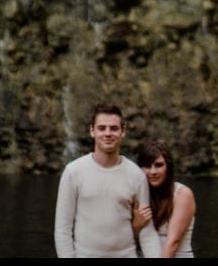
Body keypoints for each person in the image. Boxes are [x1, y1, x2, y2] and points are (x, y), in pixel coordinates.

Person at [54, 104, 163, 258]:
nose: (107, 133)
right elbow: (62, 229)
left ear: (122, 131)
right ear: (92, 131)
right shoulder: (73, 172)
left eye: (113, 128)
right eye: (102, 128)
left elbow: (146, 231)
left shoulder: (136, 175)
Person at [132, 141, 196, 258]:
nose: (153, 172)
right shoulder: (137, 196)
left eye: (158, 165)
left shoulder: (182, 194)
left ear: (168, 167)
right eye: (147, 166)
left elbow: (173, 243)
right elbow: (126, 243)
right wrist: (136, 226)